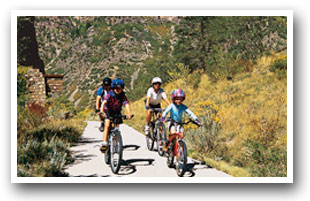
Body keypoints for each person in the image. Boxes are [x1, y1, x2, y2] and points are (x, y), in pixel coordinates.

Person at [99, 79, 132, 152]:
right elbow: (104, 102)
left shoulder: (122, 95)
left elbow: (126, 104)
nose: (117, 90)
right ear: (113, 88)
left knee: (116, 126)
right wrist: (101, 111)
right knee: (107, 125)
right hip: (108, 110)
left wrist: (129, 113)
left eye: (119, 88)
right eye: (115, 88)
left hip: (117, 111)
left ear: (122, 88)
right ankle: (104, 143)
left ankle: (117, 143)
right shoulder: (110, 93)